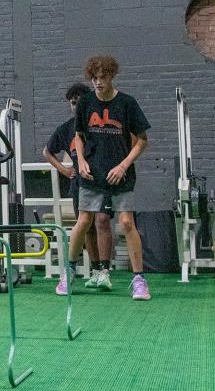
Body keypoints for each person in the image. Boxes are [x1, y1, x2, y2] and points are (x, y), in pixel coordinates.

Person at [66, 55, 151, 300]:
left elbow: (142, 141)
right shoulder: (85, 104)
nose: (98, 83)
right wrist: (81, 160)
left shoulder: (127, 103)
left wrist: (123, 166)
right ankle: (69, 272)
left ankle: (139, 280)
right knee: (83, 221)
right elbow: (80, 135)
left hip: (120, 175)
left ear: (112, 77)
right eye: (94, 79)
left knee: (126, 223)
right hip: (91, 173)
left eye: (103, 78)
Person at [43, 83, 113, 292]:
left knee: (102, 221)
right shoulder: (65, 129)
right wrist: (63, 170)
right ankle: (94, 269)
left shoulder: (100, 126)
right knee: (87, 226)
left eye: (80, 102)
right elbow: (47, 152)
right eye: (73, 103)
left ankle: (105, 271)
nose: (76, 106)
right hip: (79, 183)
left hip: (103, 181)